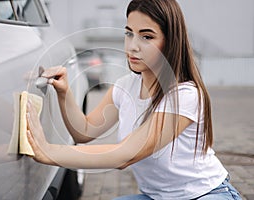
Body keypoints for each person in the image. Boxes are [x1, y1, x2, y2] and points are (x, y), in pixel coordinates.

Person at [26, 0, 242, 199]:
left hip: (205, 194)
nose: (132, 46)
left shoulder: (185, 95)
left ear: (170, 42)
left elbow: (125, 155)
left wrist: (48, 151)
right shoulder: (125, 86)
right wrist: (64, 93)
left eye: (146, 36)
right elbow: (84, 131)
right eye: (129, 33)